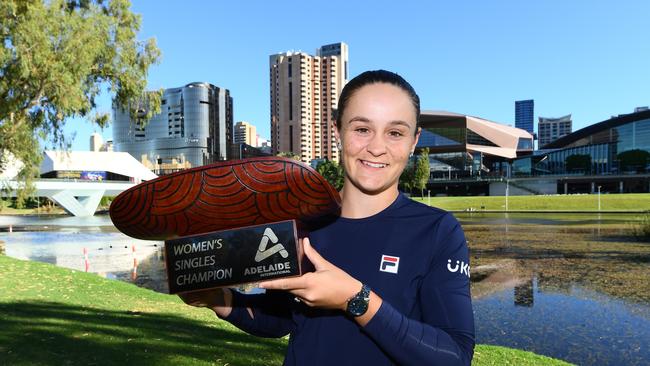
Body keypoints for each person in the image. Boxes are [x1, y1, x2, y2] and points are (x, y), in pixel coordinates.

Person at [179, 70, 475, 365]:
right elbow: (282, 320)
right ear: (337, 132)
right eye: (362, 129)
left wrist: (357, 300)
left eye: (395, 132)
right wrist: (218, 299)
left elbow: (455, 356)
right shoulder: (301, 221)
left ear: (414, 141)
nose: (376, 147)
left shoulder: (438, 232)